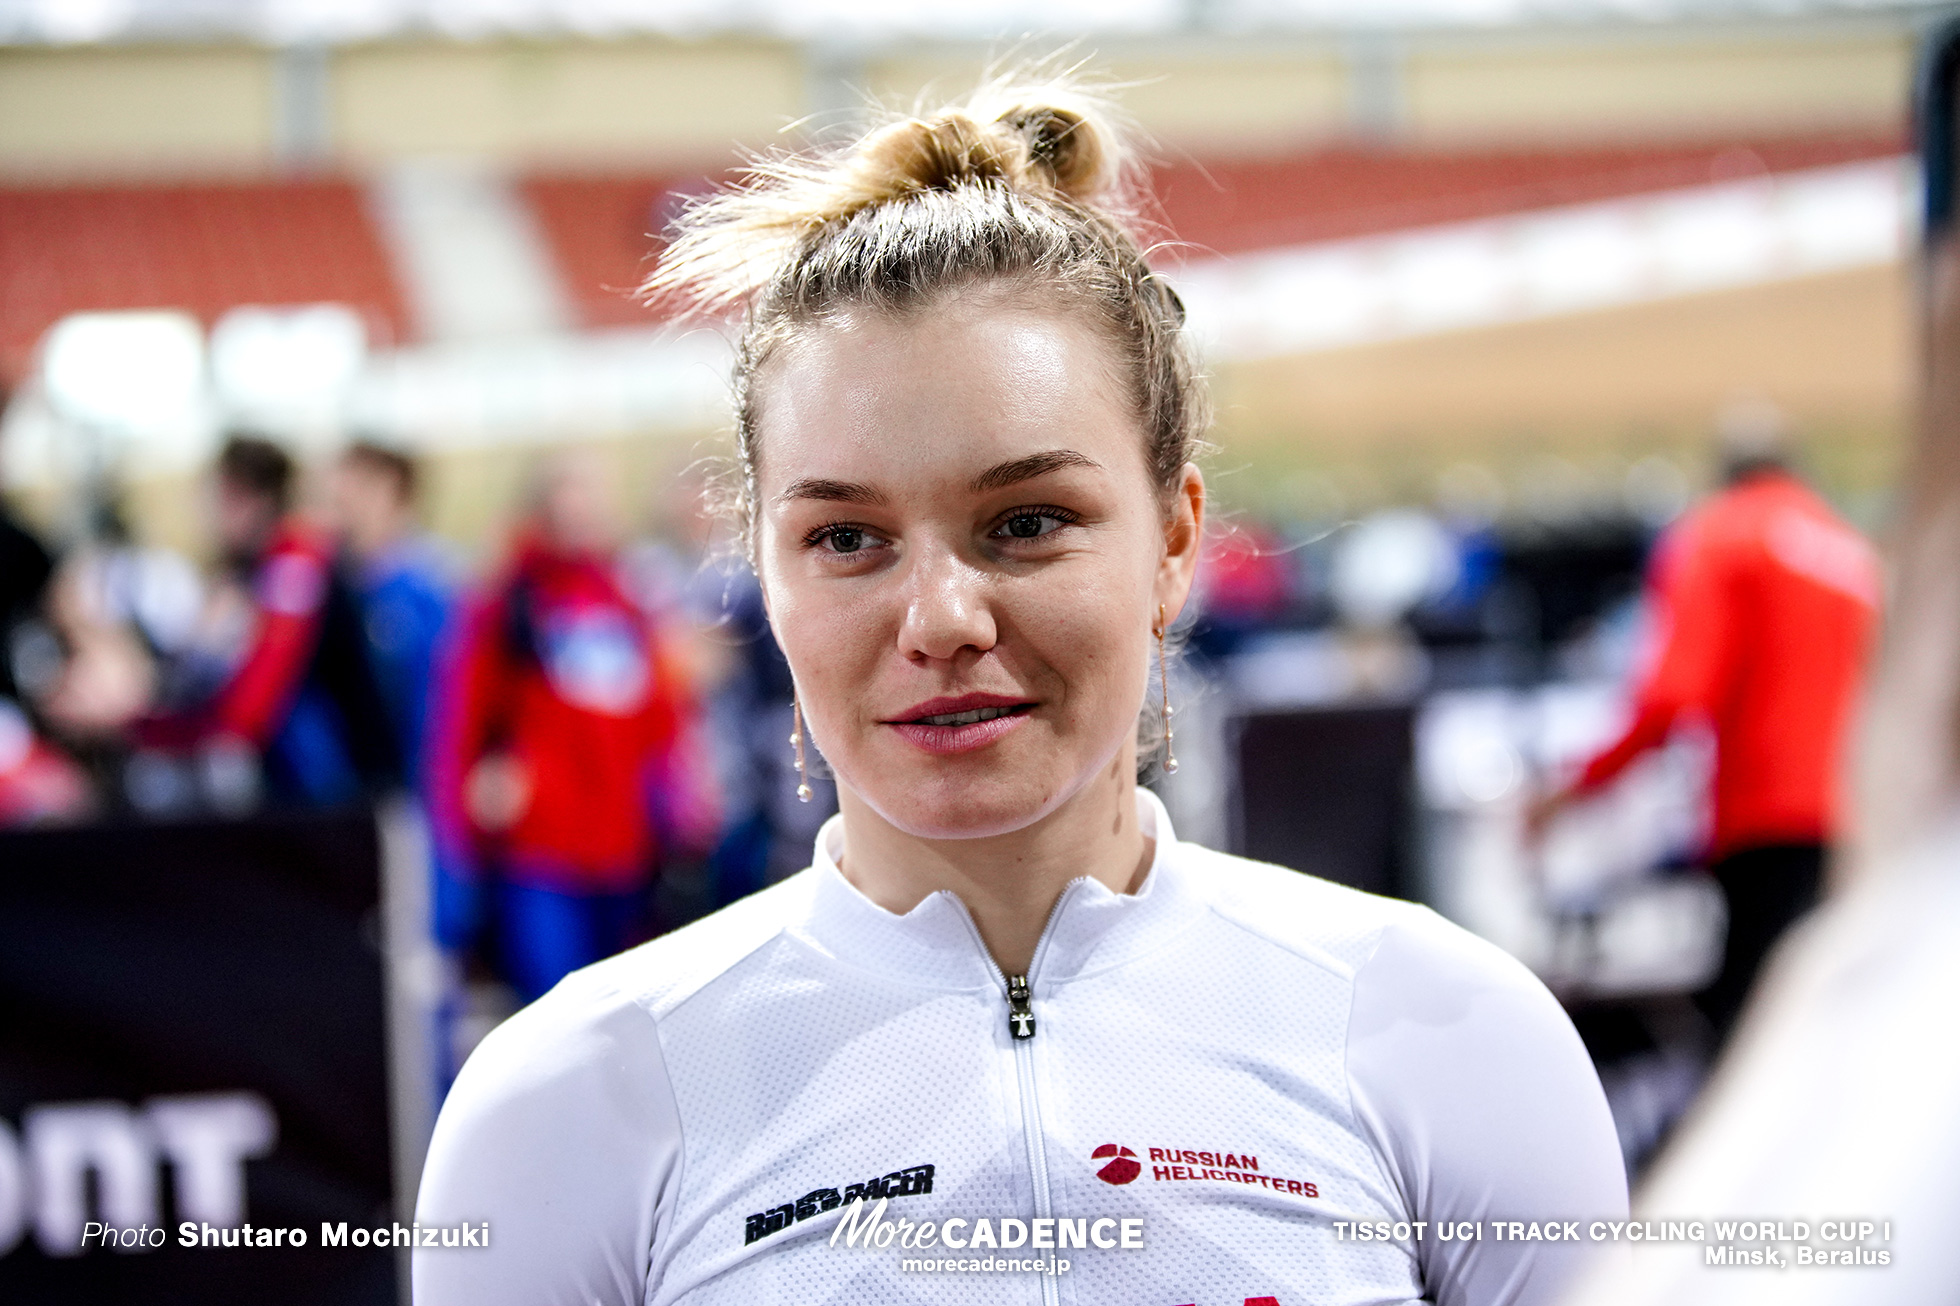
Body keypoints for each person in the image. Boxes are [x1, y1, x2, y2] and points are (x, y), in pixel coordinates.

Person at [415, 79, 1625, 1306]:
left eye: (1027, 521)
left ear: (1173, 542)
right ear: (762, 573)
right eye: (845, 537)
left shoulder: (1450, 1039)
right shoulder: (567, 1105)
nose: (941, 619)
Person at [1526, 415, 1880, 1047]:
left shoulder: (1721, 535)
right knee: (1824, 1026)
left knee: (1752, 1036)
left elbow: (1671, 697)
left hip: (1768, 817)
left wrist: (1574, 789)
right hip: (1858, 818)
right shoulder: (1847, 547)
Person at [426, 450, 708, 1005]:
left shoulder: (627, 597)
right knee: (554, 1007)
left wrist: (686, 802)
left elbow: (662, 717)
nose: (586, 507)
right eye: (572, 492)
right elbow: (458, 723)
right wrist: (459, 835)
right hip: (539, 846)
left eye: (595, 493)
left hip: (623, 846)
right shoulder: (507, 599)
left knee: (618, 1013)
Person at [133, 434, 397, 807]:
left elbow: (249, 710)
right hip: (311, 797)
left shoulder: (296, 566)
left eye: (217, 501)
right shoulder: (250, 573)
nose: (207, 517)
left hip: (344, 797)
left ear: (250, 501)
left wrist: (141, 728)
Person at [330, 438, 455, 778]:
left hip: (419, 789)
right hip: (350, 793)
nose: (342, 505)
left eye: (357, 489)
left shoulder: (434, 586)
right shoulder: (330, 587)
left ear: (392, 491)